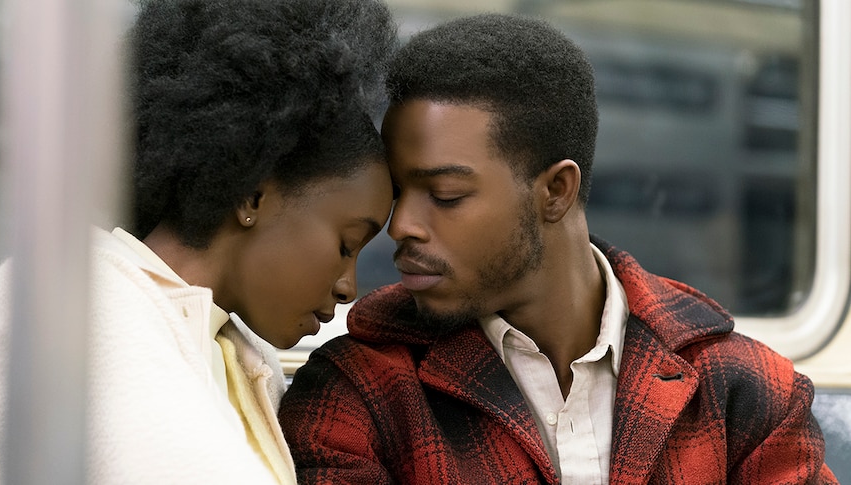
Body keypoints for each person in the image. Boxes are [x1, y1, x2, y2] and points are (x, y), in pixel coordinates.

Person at [278, 13, 838, 484]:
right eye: (398, 193)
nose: (400, 226)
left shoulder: (742, 390)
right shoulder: (360, 393)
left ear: (555, 191)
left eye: (445, 195)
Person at [0, 0, 396, 483]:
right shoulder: (79, 294)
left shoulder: (234, 347)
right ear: (252, 196)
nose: (349, 287)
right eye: (347, 245)